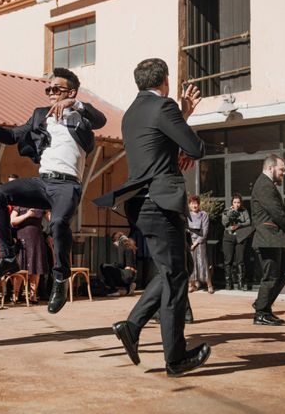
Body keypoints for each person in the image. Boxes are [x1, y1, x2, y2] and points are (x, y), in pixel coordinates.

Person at [94, 58, 210, 377]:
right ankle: (175, 358)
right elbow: (195, 147)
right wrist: (184, 120)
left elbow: (157, 147)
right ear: (165, 81)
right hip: (159, 202)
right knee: (175, 276)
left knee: (176, 269)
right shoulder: (164, 106)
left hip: (142, 203)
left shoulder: (132, 112)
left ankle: (132, 327)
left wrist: (182, 117)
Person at [0, 66, 106, 314]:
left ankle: (60, 278)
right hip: (42, 182)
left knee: (58, 223)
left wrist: (75, 103)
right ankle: (7, 258)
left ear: (71, 91)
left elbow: (101, 120)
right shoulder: (40, 115)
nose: (50, 93)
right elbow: (14, 135)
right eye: (48, 89)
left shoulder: (82, 117)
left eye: (55, 89)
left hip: (68, 184)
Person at [251, 154, 285, 326]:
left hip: (274, 239)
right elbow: (276, 213)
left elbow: (282, 209)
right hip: (267, 238)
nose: (284, 173)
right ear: (270, 168)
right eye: (282, 169)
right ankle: (261, 313)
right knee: (271, 276)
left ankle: (263, 306)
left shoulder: (269, 186)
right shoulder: (264, 185)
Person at [10, 207, 47, 303]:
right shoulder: (19, 205)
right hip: (23, 240)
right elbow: (12, 221)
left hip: (37, 240)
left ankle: (33, 295)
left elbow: (52, 219)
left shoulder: (41, 205)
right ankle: (15, 295)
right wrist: (27, 215)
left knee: (36, 268)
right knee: (20, 268)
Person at [221, 193, 253, 290]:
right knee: (228, 260)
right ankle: (228, 283)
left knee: (240, 260)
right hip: (228, 237)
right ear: (232, 203)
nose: (237, 204)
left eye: (238, 202)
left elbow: (248, 221)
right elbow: (224, 222)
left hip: (240, 237)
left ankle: (240, 283)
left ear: (241, 203)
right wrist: (231, 214)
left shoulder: (244, 211)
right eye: (235, 202)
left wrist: (239, 225)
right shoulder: (227, 210)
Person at [187, 195, 213, 294]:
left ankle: (209, 284)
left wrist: (196, 243)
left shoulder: (203, 214)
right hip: (190, 242)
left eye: (196, 203)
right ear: (189, 205)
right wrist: (190, 243)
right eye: (192, 203)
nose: (194, 205)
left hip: (200, 242)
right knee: (191, 263)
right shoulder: (187, 215)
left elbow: (205, 231)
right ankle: (192, 284)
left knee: (203, 263)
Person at [101, 232, 137, 297]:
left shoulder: (121, 244)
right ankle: (128, 287)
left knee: (103, 266)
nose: (115, 245)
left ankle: (113, 290)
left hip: (126, 275)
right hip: (132, 275)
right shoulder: (129, 243)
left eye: (114, 243)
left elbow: (121, 264)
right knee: (113, 269)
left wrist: (111, 265)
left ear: (116, 241)